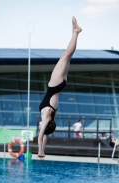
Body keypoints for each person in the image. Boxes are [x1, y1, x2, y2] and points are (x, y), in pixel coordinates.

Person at [38, 17, 82, 158]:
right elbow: (40, 137)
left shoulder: (51, 116)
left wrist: (43, 150)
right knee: (65, 56)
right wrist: (40, 153)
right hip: (54, 85)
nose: (40, 128)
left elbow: (44, 136)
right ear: (45, 126)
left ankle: (74, 33)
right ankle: (75, 33)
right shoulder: (46, 118)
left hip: (60, 85)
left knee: (68, 56)